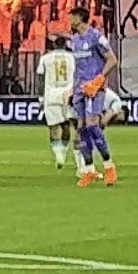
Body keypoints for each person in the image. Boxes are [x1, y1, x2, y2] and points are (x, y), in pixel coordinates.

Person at [69, 20, 120, 187]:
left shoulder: (96, 37)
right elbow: (78, 67)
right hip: (79, 88)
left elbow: (112, 59)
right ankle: (89, 169)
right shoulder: (74, 40)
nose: (70, 20)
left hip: (94, 88)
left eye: (72, 16)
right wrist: (73, 87)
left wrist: (99, 79)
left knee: (92, 125)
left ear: (80, 17)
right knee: (81, 127)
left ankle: (109, 166)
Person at [39, 29, 78, 171]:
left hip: (51, 94)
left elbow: (40, 78)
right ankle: (64, 152)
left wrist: (41, 97)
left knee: (53, 127)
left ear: (54, 45)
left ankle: (58, 155)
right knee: (66, 125)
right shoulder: (72, 58)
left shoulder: (46, 58)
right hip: (68, 94)